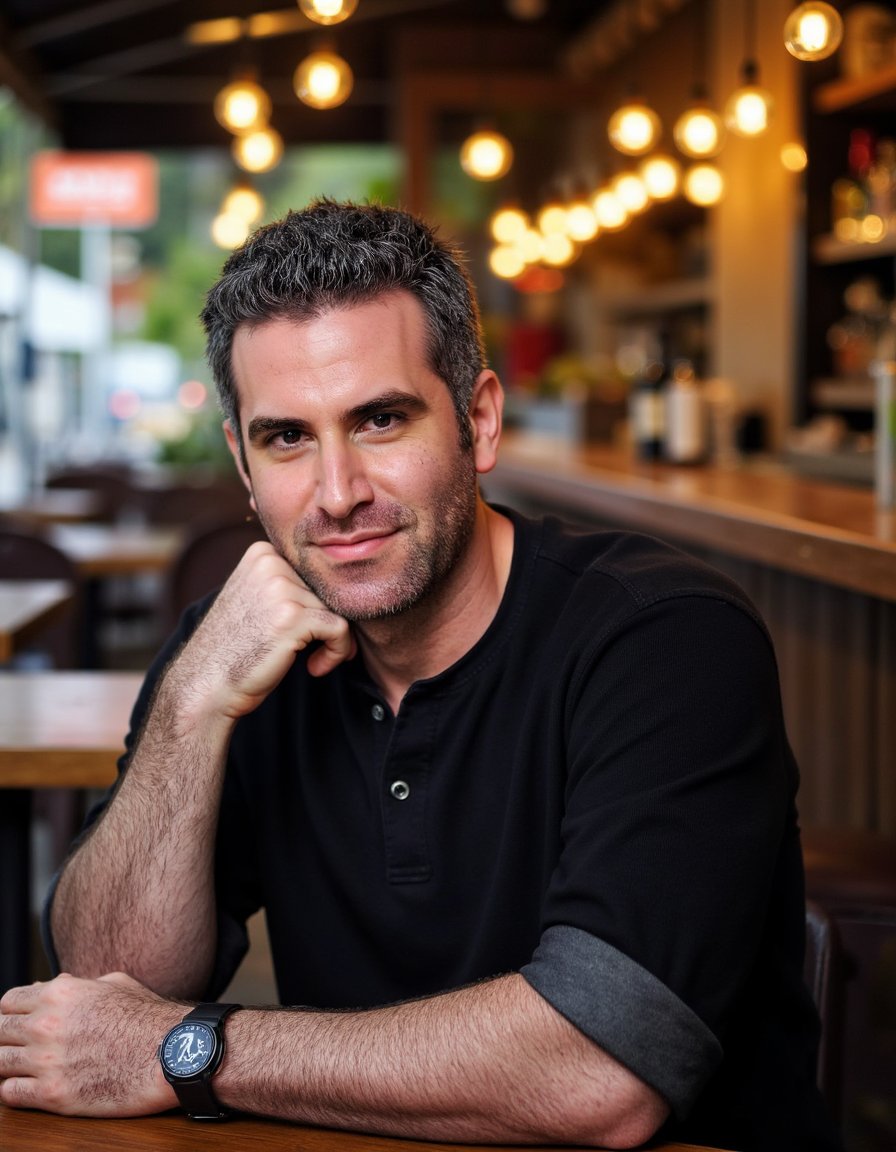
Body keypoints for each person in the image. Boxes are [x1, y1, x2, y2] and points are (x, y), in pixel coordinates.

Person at [0, 200, 840, 1150]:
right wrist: (192, 706)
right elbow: (106, 990)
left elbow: (601, 1070)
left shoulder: (666, 638)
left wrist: (191, 1050)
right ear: (242, 462)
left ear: (478, 421)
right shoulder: (233, 652)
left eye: (381, 419)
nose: (338, 494)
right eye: (287, 438)